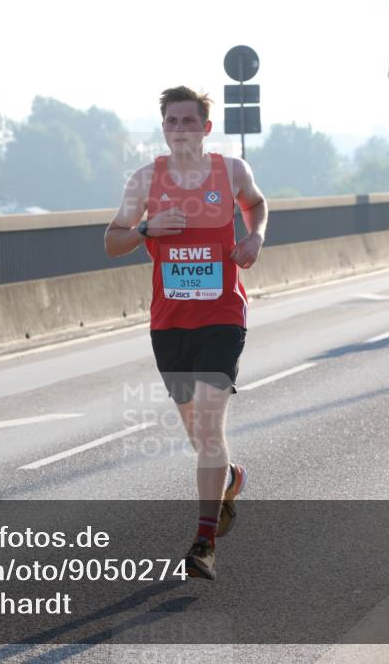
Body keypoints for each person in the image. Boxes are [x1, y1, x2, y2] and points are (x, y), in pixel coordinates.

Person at [104, 86, 267, 580]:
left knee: (212, 426)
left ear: (205, 128)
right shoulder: (143, 180)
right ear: (164, 129)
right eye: (171, 122)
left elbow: (256, 205)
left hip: (222, 316)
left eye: (187, 121)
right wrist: (146, 231)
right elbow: (112, 243)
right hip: (169, 322)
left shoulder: (231, 171)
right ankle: (231, 479)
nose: (179, 129)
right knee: (197, 432)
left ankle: (204, 543)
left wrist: (254, 235)